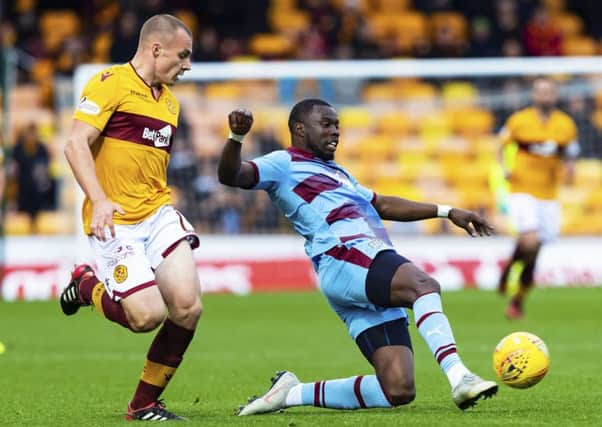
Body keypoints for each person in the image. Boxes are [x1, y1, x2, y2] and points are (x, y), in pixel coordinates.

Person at [218, 99, 498, 415]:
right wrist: (236, 138)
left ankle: (291, 393)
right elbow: (232, 175)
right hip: (347, 256)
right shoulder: (283, 163)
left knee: (397, 388)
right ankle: (459, 376)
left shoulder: (338, 173)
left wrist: (447, 212)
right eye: (326, 124)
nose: (335, 131)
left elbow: (383, 204)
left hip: (354, 272)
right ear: (300, 129)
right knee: (423, 285)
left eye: (337, 125)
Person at [59, 14, 202, 421]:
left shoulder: (170, 104)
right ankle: (86, 286)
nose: (188, 66)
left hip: (156, 214)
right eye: (183, 55)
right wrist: (99, 198)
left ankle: (143, 404)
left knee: (188, 308)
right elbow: (74, 144)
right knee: (146, 316)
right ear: (156, 49)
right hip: (114, 219)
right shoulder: (109, 83)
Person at [496, 77, 578, 319]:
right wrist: (505, 168)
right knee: (530, 241)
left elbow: (570, 152)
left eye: (549, 92)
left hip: (549, 195)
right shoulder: (519, 121)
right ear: (534, 95)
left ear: (555, 95)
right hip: (522, 189)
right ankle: (515, 289)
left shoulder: (565, 124)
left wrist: (571, 168)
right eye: (541, 91)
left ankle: (516, 292)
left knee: (536, 249)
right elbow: (500, 145)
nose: (545, 96)